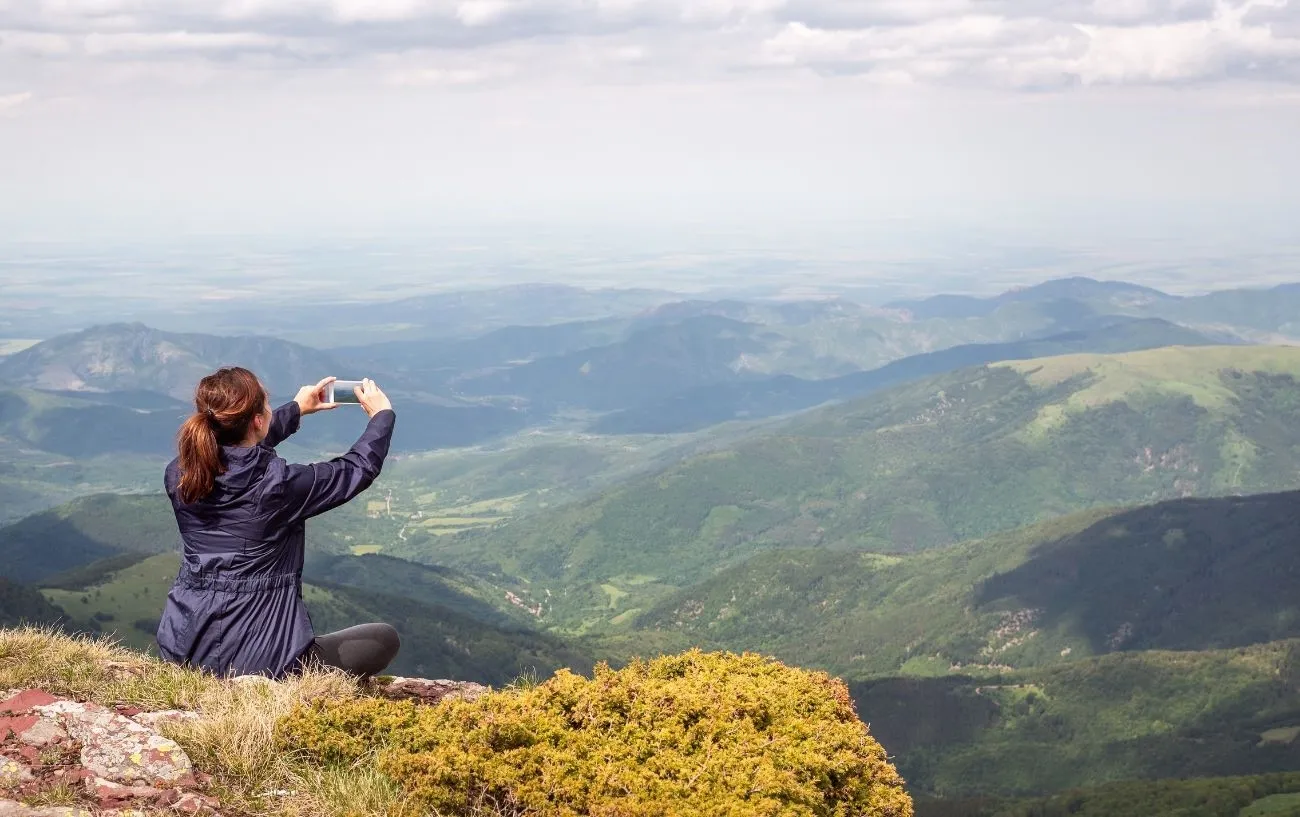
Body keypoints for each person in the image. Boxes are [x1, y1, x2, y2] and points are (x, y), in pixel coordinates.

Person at [156, 367, 400, 680]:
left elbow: (236, 451)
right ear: (257, 420)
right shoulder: (278, 486)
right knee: (383, 638)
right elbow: (356, 469)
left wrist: (296, 410)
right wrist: (382, 416)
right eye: (266, 407)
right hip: (264, 664)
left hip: (184, 650)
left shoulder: (181, 473)